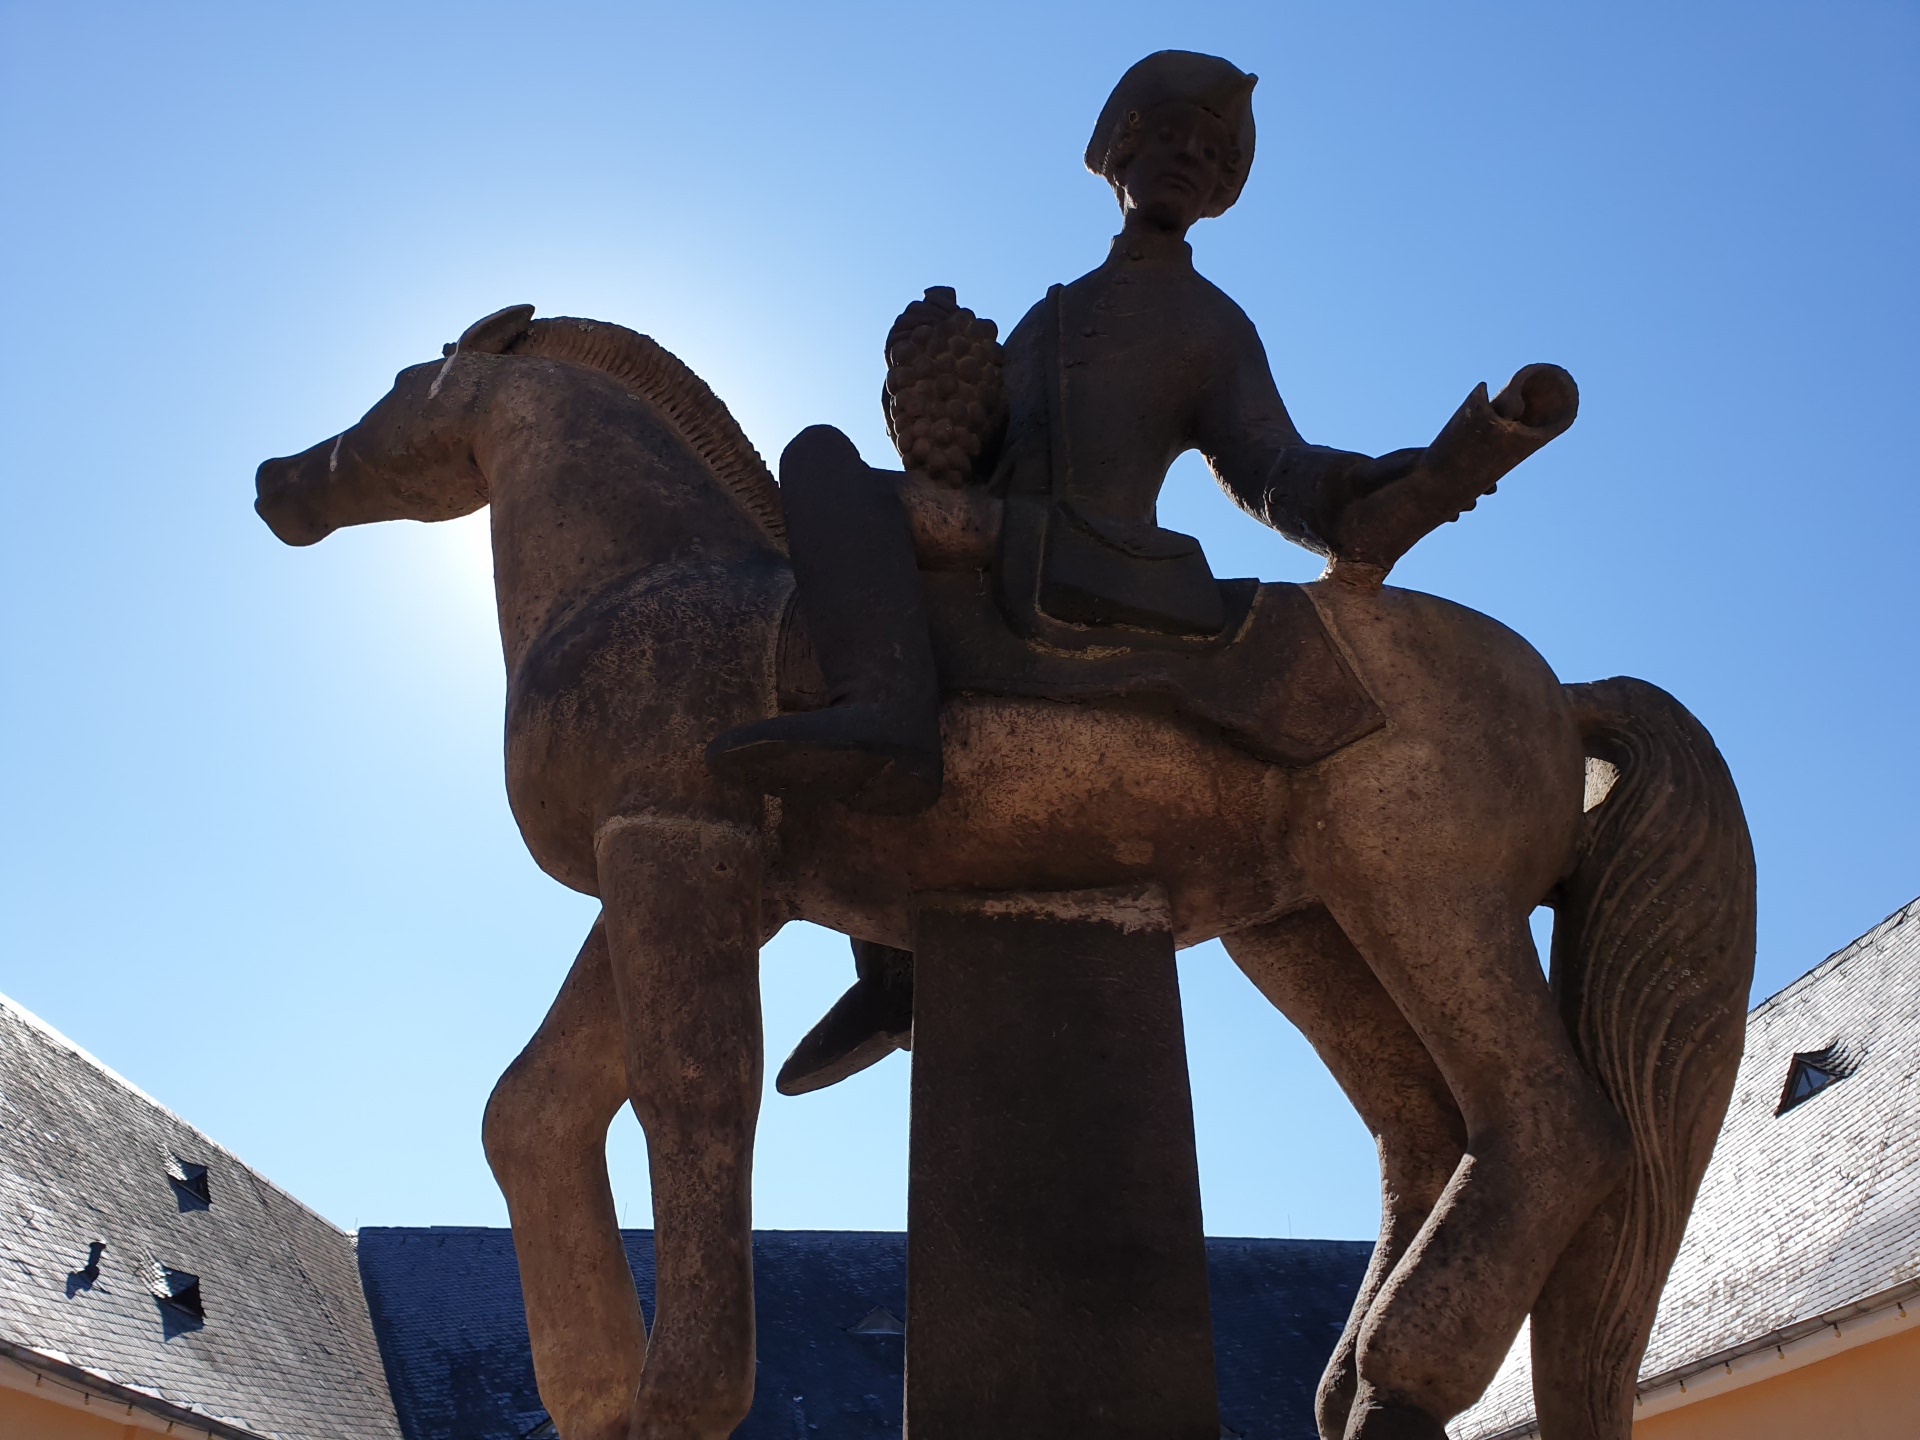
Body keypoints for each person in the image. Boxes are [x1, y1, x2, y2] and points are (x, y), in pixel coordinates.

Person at [708, 49, 1563, 816]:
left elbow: (1273, 468)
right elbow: (967, 460)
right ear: (1124, 150)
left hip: (1088, 553)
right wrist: (928, 399)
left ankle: (887, 720)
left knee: (818, 457)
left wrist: (1429, 468)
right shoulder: (1047, 317)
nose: (1193, 161)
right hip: (990, 540)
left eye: (1214, 158)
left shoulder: (1209, 322)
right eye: (1175, 139)